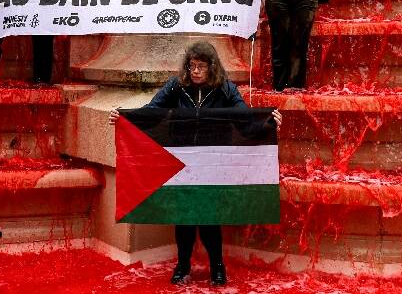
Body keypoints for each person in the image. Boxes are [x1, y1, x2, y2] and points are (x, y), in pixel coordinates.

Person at [108, 42, 281, 286]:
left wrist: (268, 123)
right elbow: (152, 112)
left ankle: (217, 266)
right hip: (182, 162)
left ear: (212, 67)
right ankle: (183, 265)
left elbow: (244, 121)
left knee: (210, 217)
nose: (195, 71)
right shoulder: (176, 86)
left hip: (213, 163)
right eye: (192, 66)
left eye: (201, 66)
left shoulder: (226, 89)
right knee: (184, 217)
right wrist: (124, 117)